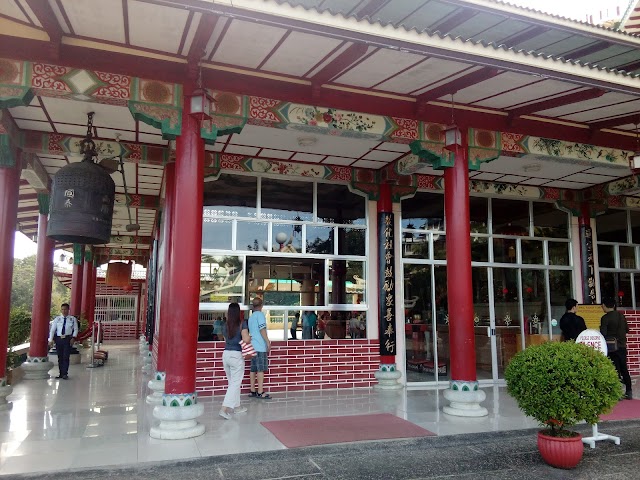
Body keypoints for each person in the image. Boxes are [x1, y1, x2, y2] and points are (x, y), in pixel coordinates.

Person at [219, 303, 251, 419]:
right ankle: (224, 409)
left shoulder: (224, 325)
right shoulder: (242, 324)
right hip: (236, 355)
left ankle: (237, 407)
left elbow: (225, 339)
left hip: (226, 354)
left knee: (232, 383)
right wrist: (251, 337)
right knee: (235, 384)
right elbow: (246, 339)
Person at [600, 297, 633, 400]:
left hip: (611, 348)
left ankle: (617, 393)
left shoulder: (605, 318)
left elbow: (603, 334)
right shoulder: (621, 316)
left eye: (602, 306)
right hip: (622, 346)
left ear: (604, 306)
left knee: (615, 369)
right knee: (624, 369)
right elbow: (627, 330)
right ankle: (629, 391)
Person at [247, 297, 271, 399]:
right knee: (260, 369)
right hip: (260, 346)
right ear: (261, 306)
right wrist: (267, 342)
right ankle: (260, 391)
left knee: (253, 369)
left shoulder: (251, 317)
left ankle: (252, 390)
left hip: (252, 346)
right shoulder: (260, 315)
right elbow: (262, 330)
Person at [48, 303, 78, 380]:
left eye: (65, 309)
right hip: (59, 339)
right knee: (60, 357)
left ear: (68, 310)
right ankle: (61, 373)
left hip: (67, 339)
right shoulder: (57, 319)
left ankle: (65, 373)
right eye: (62, 309)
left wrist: (73, 338)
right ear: (61, 310)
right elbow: (52, 330)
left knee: (66, 356)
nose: (64, 311)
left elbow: (75, 329)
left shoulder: (72, 319)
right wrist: (50, 340)